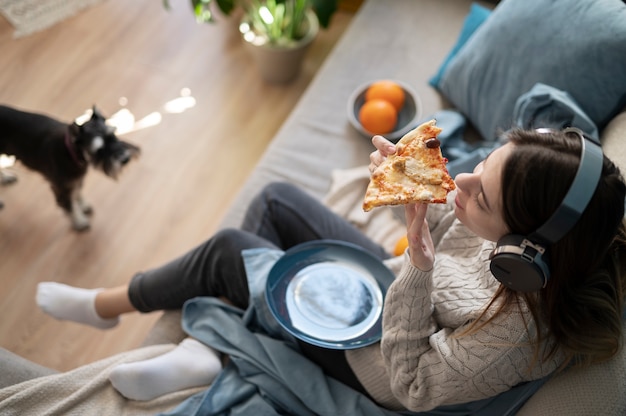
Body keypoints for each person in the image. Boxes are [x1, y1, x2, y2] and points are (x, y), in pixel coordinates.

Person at [35, 128, 626, 412]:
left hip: (384, 358)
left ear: (525, 254)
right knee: (275, 202)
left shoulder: (512, 334)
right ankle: (215, 347)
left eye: (484, 197)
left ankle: (105, 309)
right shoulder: (550, 227)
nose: (461, 185)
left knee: (227, 252)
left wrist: (417, 268)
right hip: (404, 291)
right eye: (484, 166)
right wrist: (411, 189)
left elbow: (413, 385)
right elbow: (447, 218)